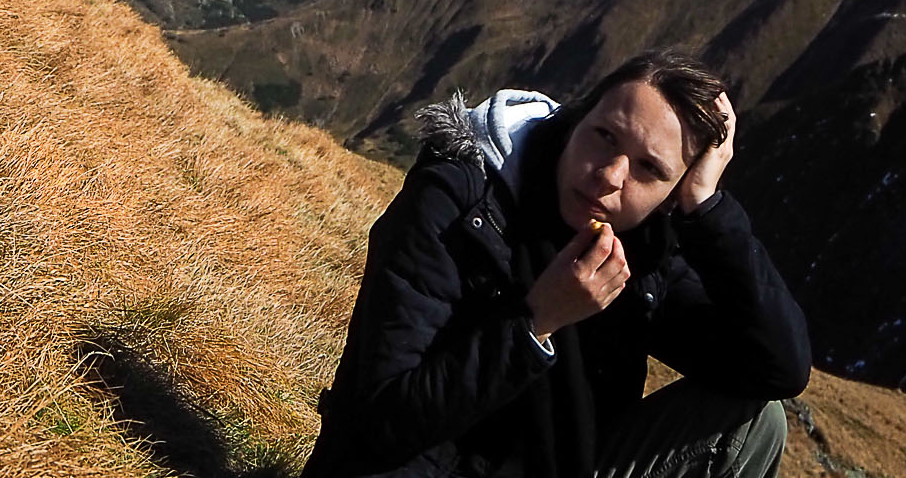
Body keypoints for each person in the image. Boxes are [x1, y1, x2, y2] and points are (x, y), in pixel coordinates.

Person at [303, 53, 811, 478]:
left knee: (757, 423)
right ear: (577, 119)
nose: (610, 175)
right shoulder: (461, 203)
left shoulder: (642, 248)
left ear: (671, 193)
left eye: (649, 168)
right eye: (605, 136)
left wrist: (707, 209)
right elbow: (379, 421)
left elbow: (779, 368)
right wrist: (536, 321)